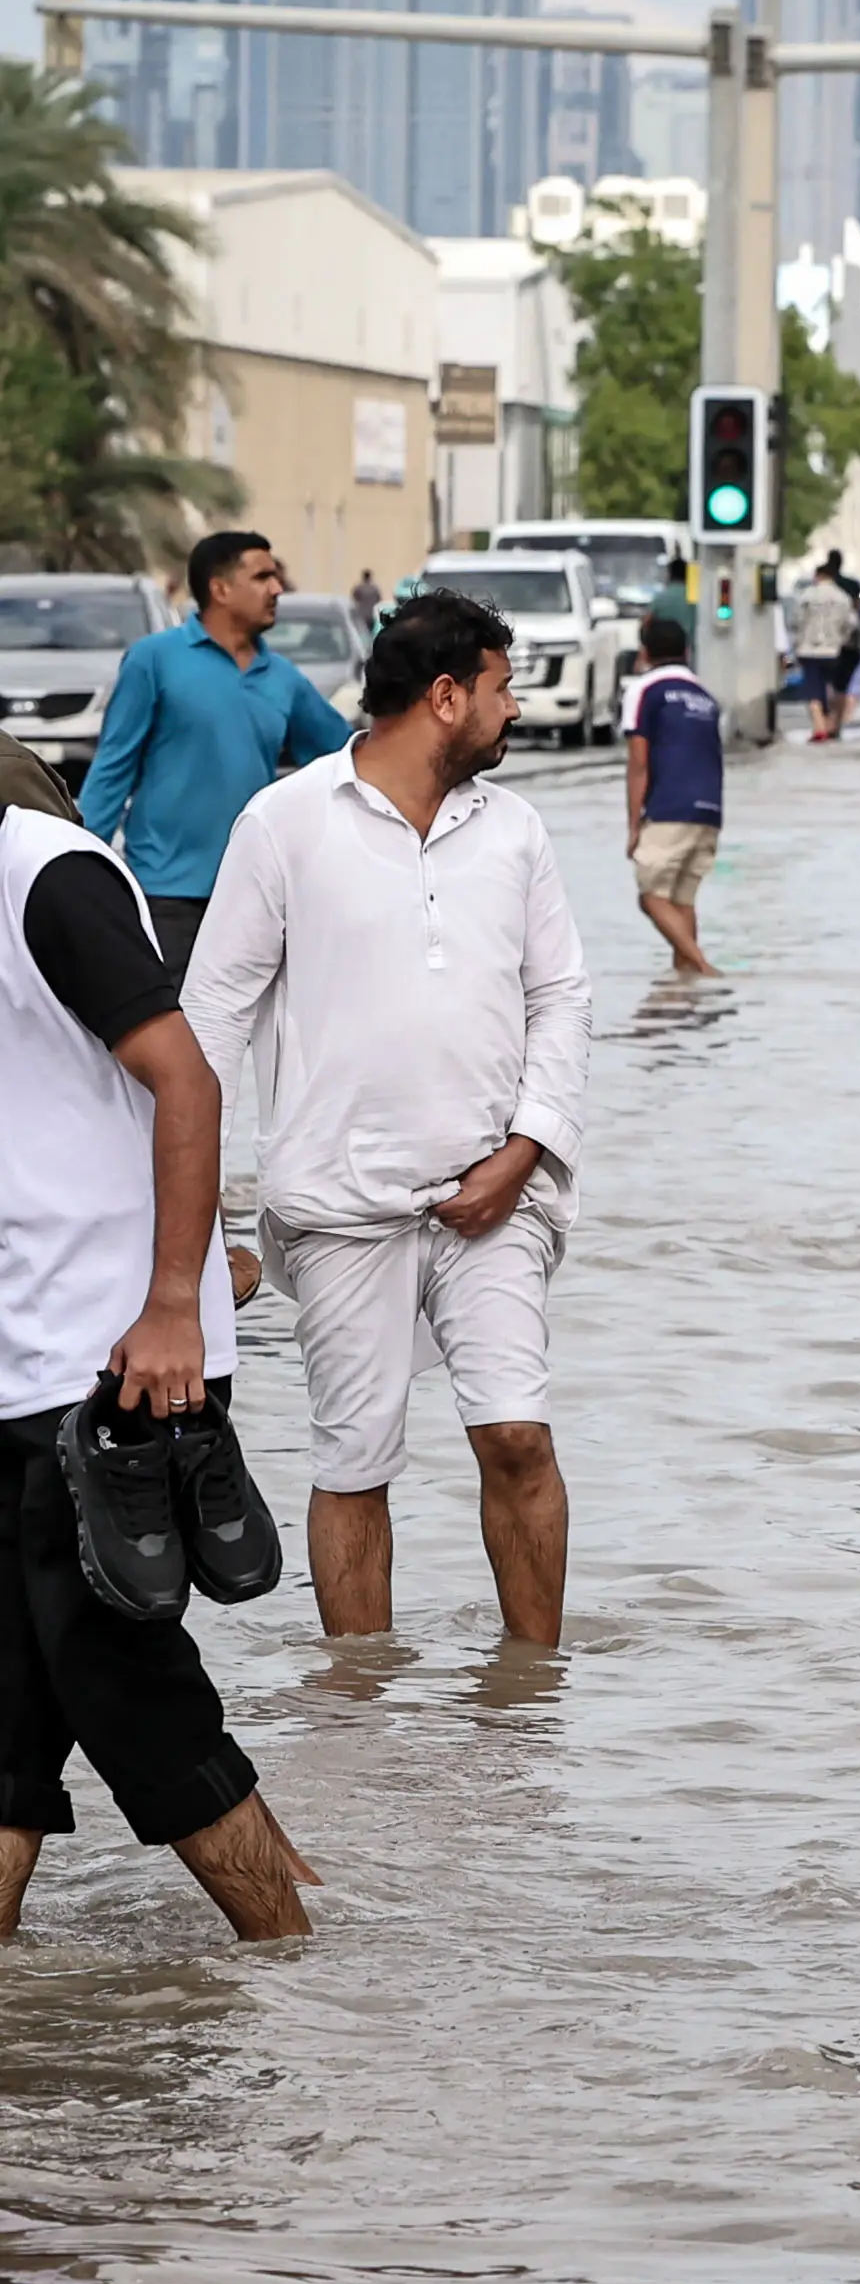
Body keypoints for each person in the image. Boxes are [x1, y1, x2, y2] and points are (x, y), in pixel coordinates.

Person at [183, 591, 592, 1649]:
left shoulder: (514, 829)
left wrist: (524, 1150)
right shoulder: (285, 822)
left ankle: (530, 1699)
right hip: (339, 1203)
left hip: (494, 1194)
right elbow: (210, 1021)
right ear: (446, 696)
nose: (516, 708)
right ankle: (359, 1709)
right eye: (502, 687)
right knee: (353, 1462)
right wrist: (190, 1219)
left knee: (517, 1437)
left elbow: (561, 996)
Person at [0, 797, 316, 1942]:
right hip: (23, 1346)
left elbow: (188, 1078)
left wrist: (178, 1298)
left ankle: (294, 1965)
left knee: (125, 1679)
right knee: (11, 1706)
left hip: (117, 1353)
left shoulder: (46, 875)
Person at [82, 529, 353, 984]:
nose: (277, 589)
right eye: (262, 577)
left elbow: (348, 760)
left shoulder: (283, 678)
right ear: (220, 588)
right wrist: (79, 864)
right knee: (167, 1023)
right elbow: (113, 768)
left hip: (254, 895)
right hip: (165, 894)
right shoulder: (154, 660)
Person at [625, 614, 723, 977]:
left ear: (645, 653)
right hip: (710, 812)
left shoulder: (645, 689)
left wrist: (633, 826)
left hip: (669, 809)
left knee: (651, 896)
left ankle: (703, 968)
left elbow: (638, 763)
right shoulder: (704, 695)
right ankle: (686, 989)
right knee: (682, 902)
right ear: (686, 652)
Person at [790, 555, 860, 745]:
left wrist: (798, 641)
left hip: (808, 650)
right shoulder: (842, 597)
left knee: (813, 688)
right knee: (832, 687)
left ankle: (819, 727)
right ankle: (831, 725)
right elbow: (851, 623)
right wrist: (841, 639)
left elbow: (796, 621)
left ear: (818, 576)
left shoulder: (807, 596)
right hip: (833, 650)